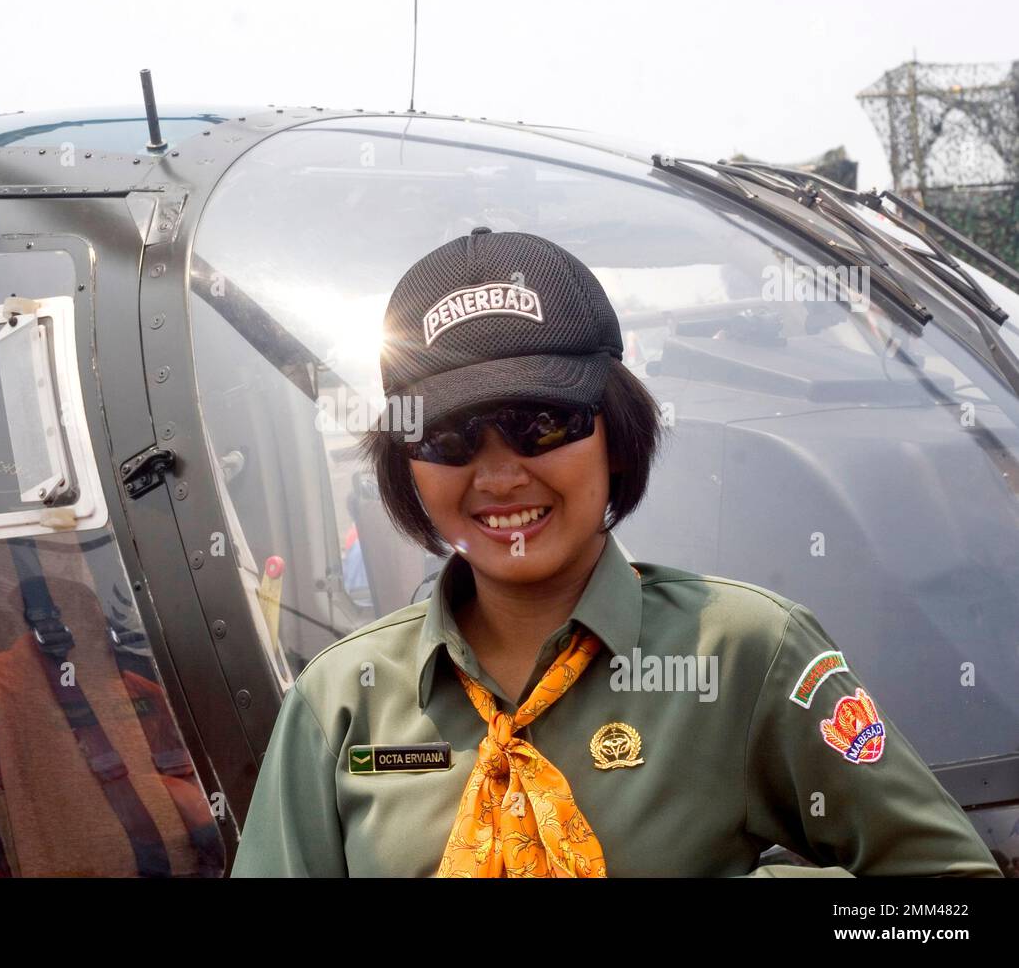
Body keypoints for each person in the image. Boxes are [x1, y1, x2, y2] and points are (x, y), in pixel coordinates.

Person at [230, 228, 1001, 877]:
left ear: (618, 436)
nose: (500, 475)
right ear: (406, 466)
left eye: (541, 424)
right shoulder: (340, 703)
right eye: (452, 436)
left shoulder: (745, 656)